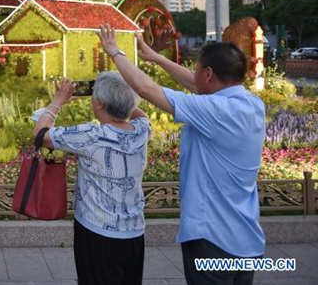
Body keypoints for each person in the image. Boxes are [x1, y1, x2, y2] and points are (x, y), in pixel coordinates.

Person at [97, 25, 265, 285]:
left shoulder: (216, 110)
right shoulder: (251, 104)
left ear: (209, 73)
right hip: (245, 239)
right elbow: (196, 84)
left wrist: (114, 51)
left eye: (197, 69)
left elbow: (146, 89)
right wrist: (155, 57)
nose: (193, 74)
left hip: (213, 241)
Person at [33, 72, 151, 285]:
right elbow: (139, 114)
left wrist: (58, 100)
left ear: (98, 103)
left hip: (97, 231)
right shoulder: (142, 130)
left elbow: (40, 135)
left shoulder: (91, 135)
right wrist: (122, 97)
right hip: (134, 232)